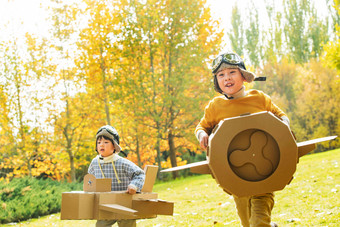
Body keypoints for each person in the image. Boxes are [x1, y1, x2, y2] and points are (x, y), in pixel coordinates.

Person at [195, 52, 289, 227]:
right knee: (247, 223)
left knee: (258, 222)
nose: (227, 78)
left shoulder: (259, 98)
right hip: (237, 178)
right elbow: (201, 127)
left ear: (243, 76)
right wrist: (203, 135)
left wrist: (282, 127)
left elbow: (281, 117)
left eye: (232, 72)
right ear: (217, 82)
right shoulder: (215, 107)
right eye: (221, 75)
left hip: (265, 173)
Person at [88, 125, 145, 227]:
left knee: (127, 224)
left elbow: (139, 174)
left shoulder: (122, 162)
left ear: (114, 145)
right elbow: (90, 179)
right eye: (99, 142)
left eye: (106, 142)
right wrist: (90, 189)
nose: (102, 145)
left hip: (124, 203)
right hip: (105, 204)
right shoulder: (94, 163)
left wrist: (134, 186)